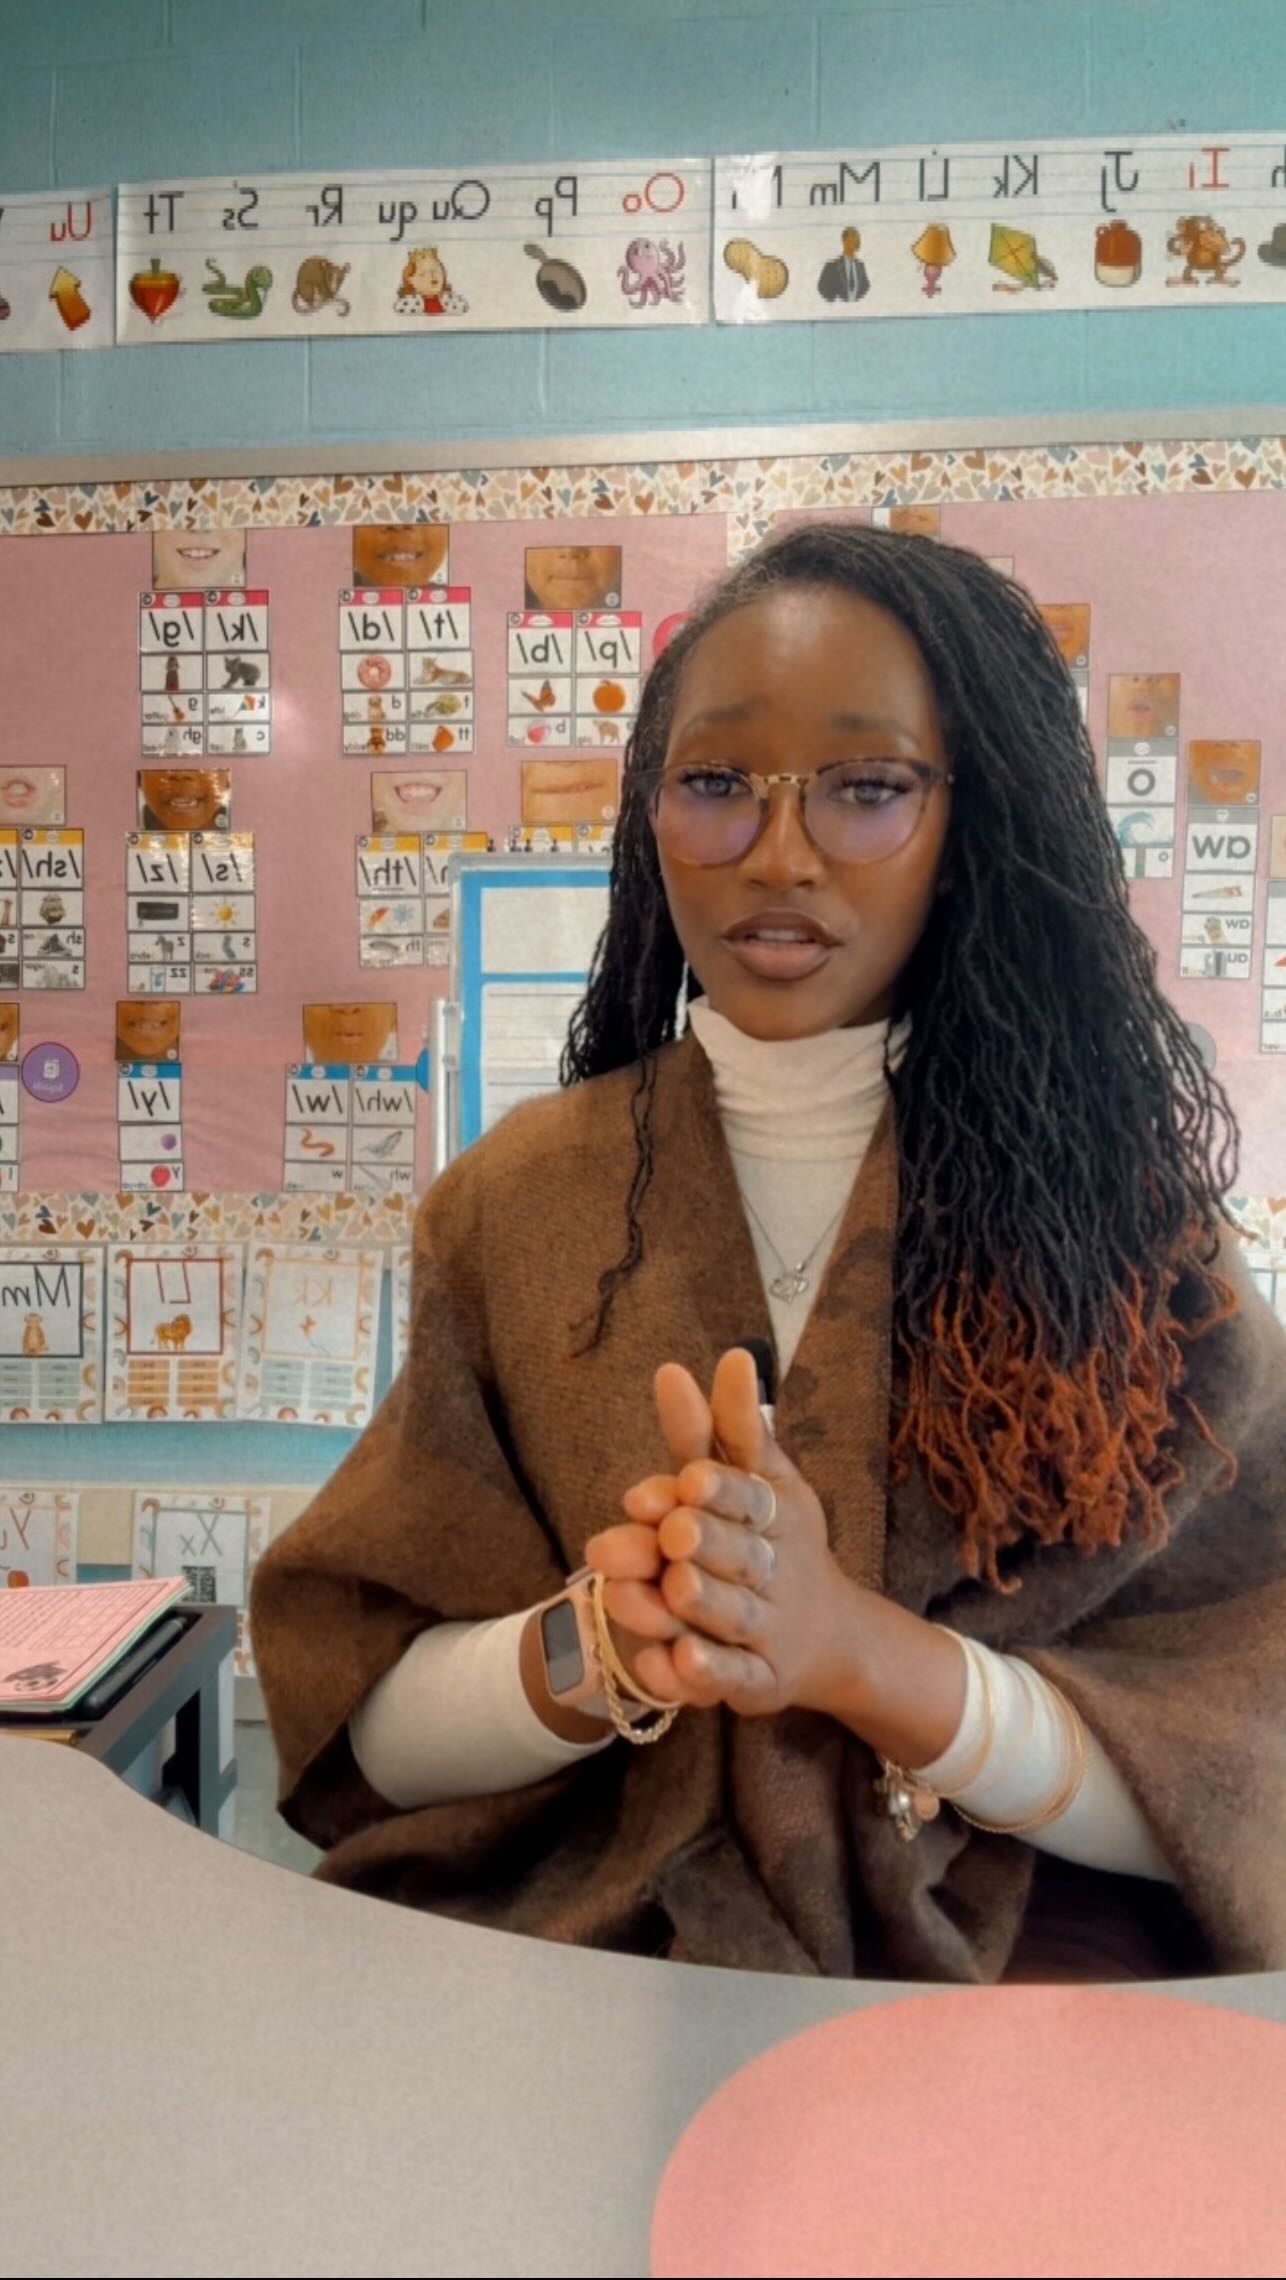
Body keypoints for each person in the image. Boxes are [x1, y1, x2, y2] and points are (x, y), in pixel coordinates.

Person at [252, 522, 1286, 1982]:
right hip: (593, 1994)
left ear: (971, 819)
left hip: (1017, 2013)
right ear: (651, 816)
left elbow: (1243, 1781)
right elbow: (359, 1732)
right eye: (717, 784)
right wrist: (601, 1648)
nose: (779, 852)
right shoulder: (521, 1205)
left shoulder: (1126, 1235)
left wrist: (858, 1655)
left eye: (865, 789)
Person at [816, 225, 870, 305]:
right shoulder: (831, 266)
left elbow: (866, 286)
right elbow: (821, 287)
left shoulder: (861, 266)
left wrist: (857, 302)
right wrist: (834, 303)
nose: (853, 244)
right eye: (850, 240)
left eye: (856, 241)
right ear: (844, 241)